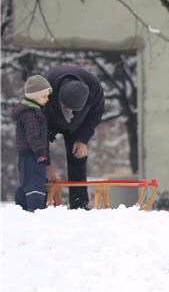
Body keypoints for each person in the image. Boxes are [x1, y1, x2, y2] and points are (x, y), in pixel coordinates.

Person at [43, 65, 105, 209]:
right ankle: (40, 201)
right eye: (67, 107)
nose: (70, 111)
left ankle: (79, 202)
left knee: (78, 153)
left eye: (74, 109)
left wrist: (82, 139)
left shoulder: (94, 87)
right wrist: (46, 165)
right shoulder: (46, 89)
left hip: (78, 124)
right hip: (50, 121)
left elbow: (96, 114)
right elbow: (38, 133)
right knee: (38, 160)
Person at [13, 75, 53, 212]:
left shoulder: (32, 111)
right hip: (32, 154)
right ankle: (35, 210)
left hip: (29, 153)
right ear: (34, 96)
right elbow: (33, 135)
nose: (47, 99)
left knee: (28, 180)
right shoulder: (30, 113)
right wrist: (40, 152)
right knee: (35, 181)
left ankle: (22, 207)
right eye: (44, 96)